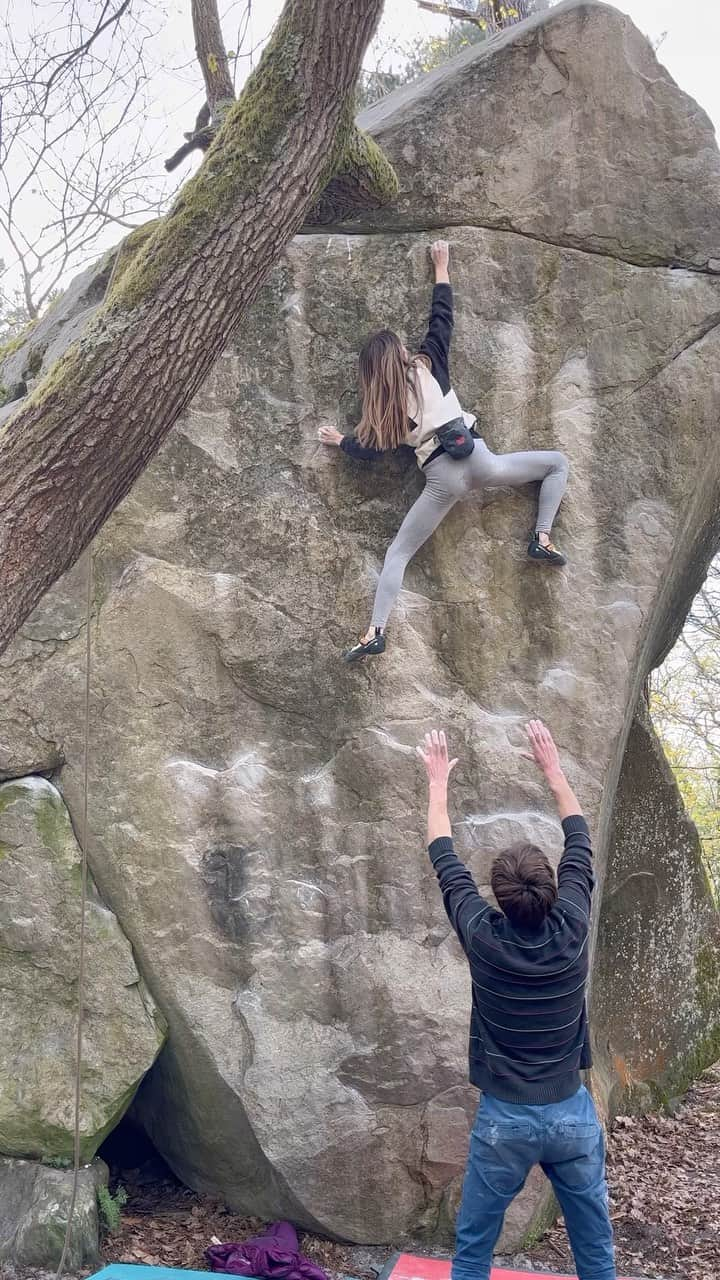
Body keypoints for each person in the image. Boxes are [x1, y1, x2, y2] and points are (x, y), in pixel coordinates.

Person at [416, 722, 616, 1280]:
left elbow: (443, 855)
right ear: (553, 887)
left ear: (499, 899)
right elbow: (579, 839)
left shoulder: (484, 936)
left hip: (505, 1119)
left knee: (474, 1247)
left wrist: (437, 782)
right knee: (594, 1246)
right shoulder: (573, 923)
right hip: (571, 1114)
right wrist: (552, 770)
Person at [319, 241, 569, 663]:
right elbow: (442, 320)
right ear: (399, 354)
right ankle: (541, 537)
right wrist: (442, 267)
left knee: (398, 553)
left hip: (441, 479)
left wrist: (339, 440)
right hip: (481, 461)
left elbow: (367, 450)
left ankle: (374, 632)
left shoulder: (384, 413)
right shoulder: (429, 366)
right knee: (557, 464)